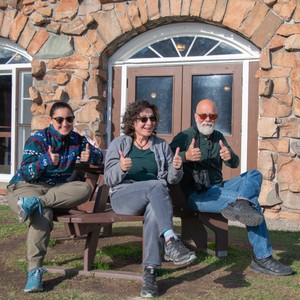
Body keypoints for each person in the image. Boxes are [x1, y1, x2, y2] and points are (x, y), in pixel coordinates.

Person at [170, 98, 293, 277]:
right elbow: (165, 159)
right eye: (203, 115)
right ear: (196, 116)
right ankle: (262, 258)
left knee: (253, 175)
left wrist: (229, 157)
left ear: (216, 117)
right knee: (253, 206)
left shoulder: (218, 136)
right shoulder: (185, 136)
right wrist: (185, 156)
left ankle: (242, 202)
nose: (207, 119)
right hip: (199, 195)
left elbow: (235, 163)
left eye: (212, 115)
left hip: (219, 188)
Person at [7, 101, 103, 293]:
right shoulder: (38, 140)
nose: (64, 123)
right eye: (59, 119)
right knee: (43, 214)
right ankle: (34, 272)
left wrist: (90, 155)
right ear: (51, 120)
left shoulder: (76, 139)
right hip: (27, 187)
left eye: (69, 119)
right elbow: (26, 173)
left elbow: (99, 156)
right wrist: (45, 161)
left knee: (84, 189)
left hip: (53, 191)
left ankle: (35, 204)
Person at [104, 100, 196, 298]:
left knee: (155, 209)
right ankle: (170, 239)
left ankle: (150, 272)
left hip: (154, 198)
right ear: (132, 122)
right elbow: (108, 179)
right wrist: (121, 168)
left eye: (152, 118)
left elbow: (171, 179)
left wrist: (177, 167)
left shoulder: (161, 145)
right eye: (143, 119)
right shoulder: (119, 144)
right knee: (156, 186)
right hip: (124, 196)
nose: (149, 123)